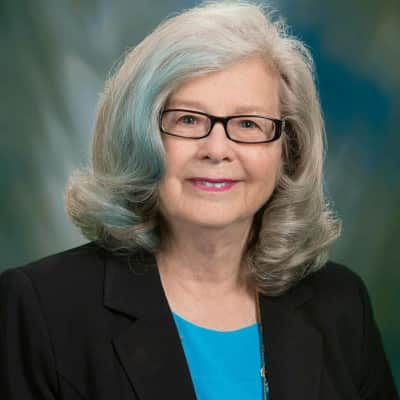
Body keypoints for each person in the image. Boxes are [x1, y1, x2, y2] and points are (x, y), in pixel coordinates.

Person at [0, 1, 398, 399]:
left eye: (248, 123)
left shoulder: (341, 306)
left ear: (287, 149)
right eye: (188, 119)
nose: (217, 149)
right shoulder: (41, 307)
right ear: (138, 135)